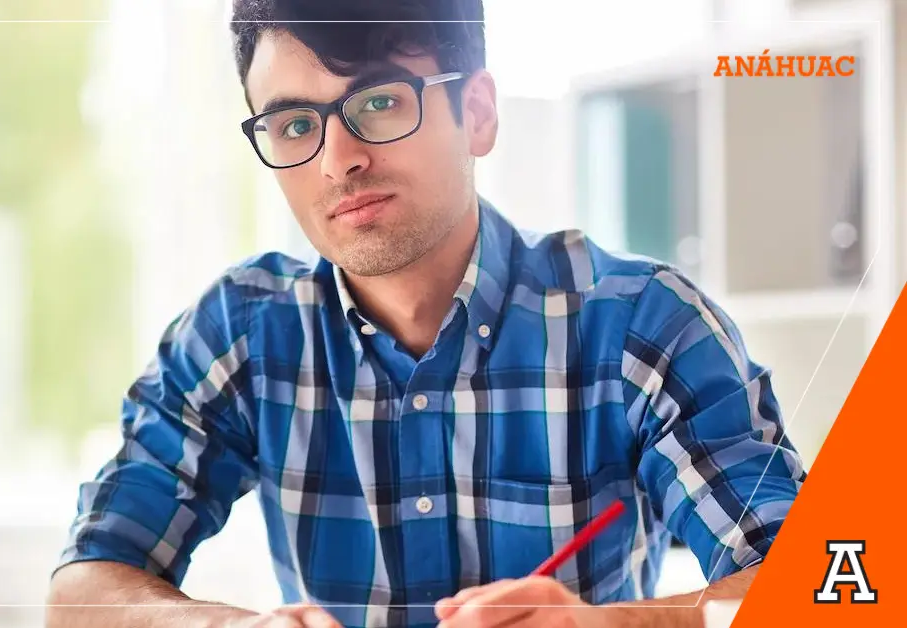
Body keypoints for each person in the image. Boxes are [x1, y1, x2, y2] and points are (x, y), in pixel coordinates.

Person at [45, 1, 806, 626]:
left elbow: (828, 591)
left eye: (378, 103)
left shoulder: (643, 326)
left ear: (476, 113)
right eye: (294, 125)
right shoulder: (241, 334)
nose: (336, 159)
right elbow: (79, 597)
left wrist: (609, 625)